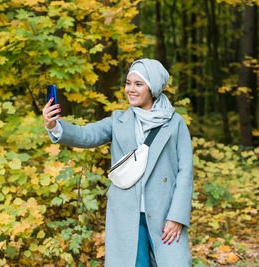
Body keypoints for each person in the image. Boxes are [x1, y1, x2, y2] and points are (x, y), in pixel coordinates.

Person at [42, 59, 193, 267]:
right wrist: (55, 126)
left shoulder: (175, 123)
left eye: (138, 84)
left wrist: (177, 216)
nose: (130, 89)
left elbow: (185, 172)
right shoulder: (118, 120)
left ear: (154, 86)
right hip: (126, 214)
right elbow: (87, 135)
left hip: (164, 214)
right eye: (128, 83)